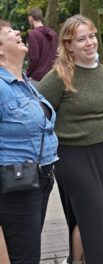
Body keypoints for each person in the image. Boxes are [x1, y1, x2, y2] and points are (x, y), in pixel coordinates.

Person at [38, 15, 103, 264]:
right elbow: (36, 112)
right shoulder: (59, 77)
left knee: (98, 215)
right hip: (72, 156)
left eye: (92, 36)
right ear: (68, 45)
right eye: (81, 39)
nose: (90, 43)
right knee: (93, 214)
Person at [0, 19, 58, 263]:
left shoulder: (26, 84)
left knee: (27, 252)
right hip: (16, 183)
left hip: (39, 178)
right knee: (24, 256)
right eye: (8, 31)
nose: (17, 32)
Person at [26, 7, 58, 87]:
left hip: (38, 77)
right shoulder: (53, 33)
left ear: (30, 18)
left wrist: (27, 75)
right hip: (53, 76)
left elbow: (34, 58)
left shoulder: (33, 34)